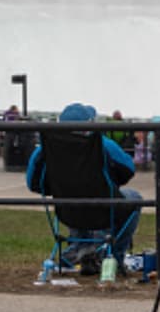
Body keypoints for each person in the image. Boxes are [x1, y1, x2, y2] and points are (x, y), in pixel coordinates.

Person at [25, 102, 143, 266]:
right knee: (135, 198)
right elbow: (128, 169)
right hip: (102, 208)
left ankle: (79, 248)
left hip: (67, 210)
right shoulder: (102, 144)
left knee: (76, 196)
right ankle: (113, 257)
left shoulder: (45, 149)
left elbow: (33, 183)